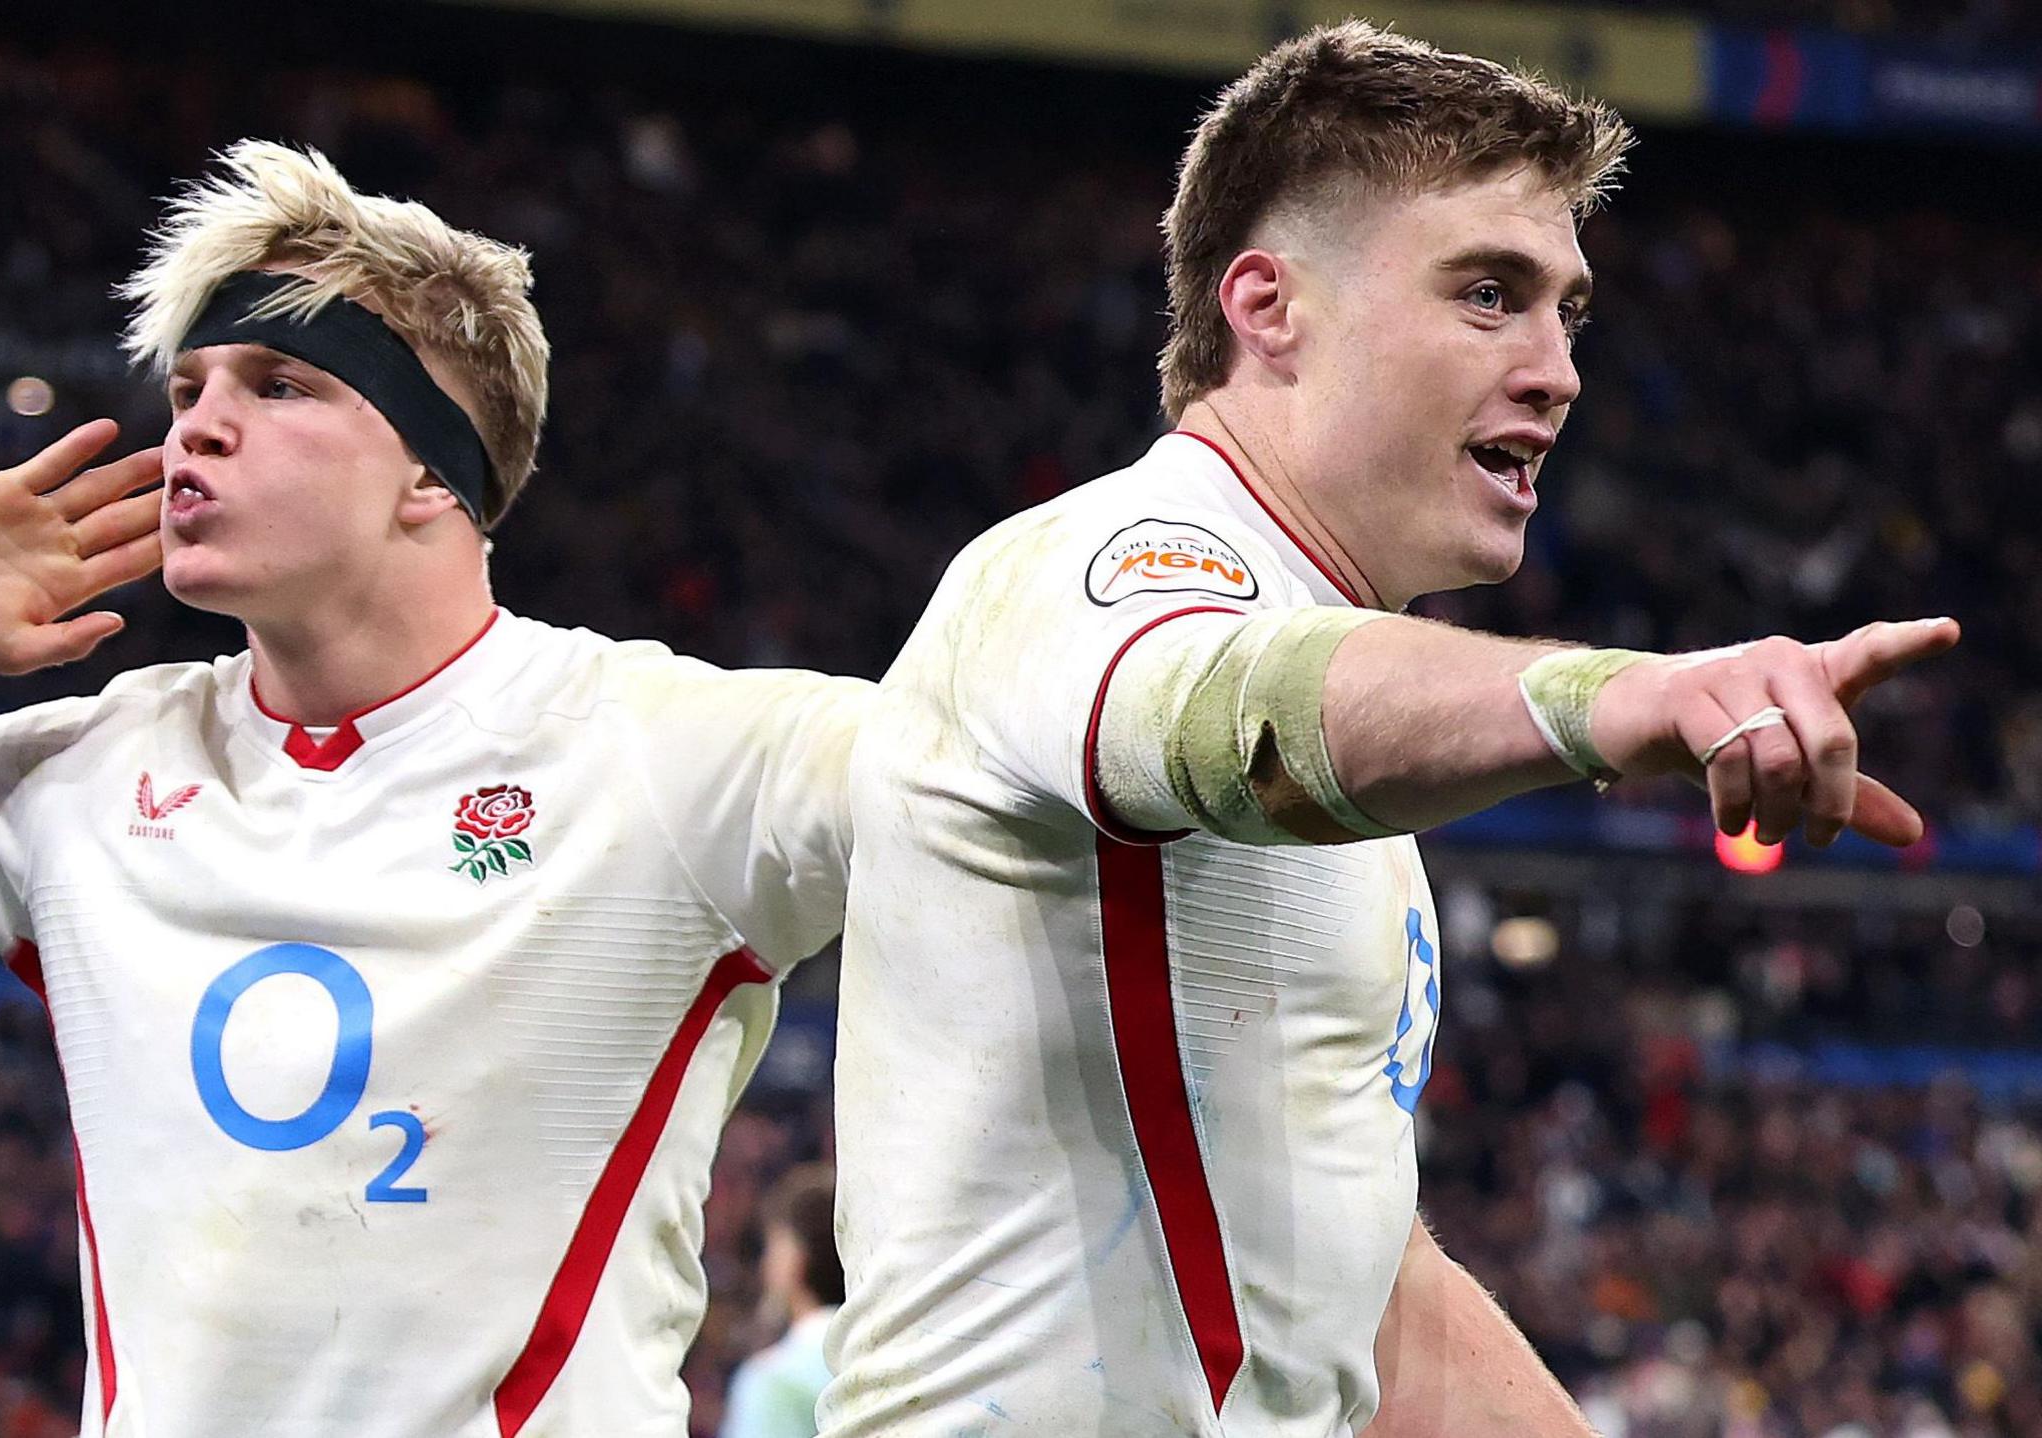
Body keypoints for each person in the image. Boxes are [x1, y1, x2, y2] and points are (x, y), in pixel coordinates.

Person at [0, 140, 868, 1437]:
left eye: (279, 384)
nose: (196, 427)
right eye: (189, 387)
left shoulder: (669, 751)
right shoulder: (86, 775)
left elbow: (996, 777)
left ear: (434, 473)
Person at [822, 23, 1957, 1438]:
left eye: (1569, 312)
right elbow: (1235, 711)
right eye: (1490, 294)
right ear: (1269, 308)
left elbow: (1355, 1286)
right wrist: (1624, 694)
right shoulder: (1099, 563)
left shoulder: (1351, 716)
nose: (1558, 369)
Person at [721, 1164, 843, 1438]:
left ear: (794, 1257)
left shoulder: (774, 1380)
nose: (766, 1264)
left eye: (773, 1247)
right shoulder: (898, 1358)